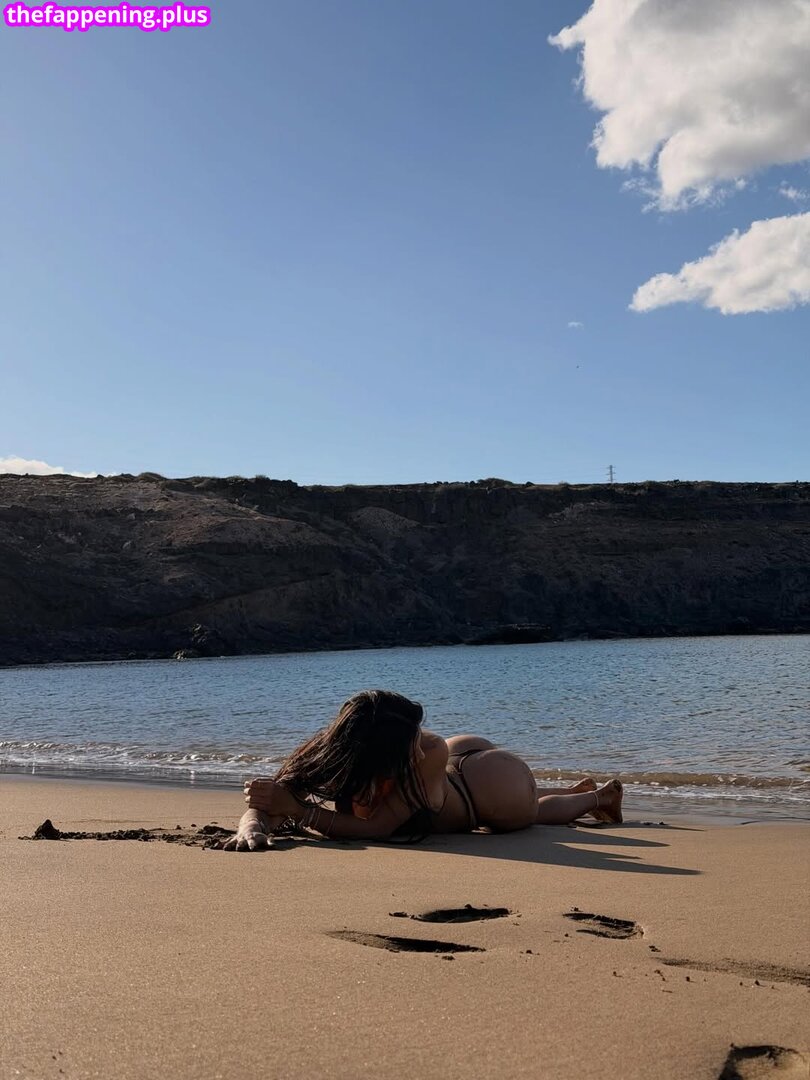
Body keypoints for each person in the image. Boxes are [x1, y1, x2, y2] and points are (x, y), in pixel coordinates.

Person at [224, 689, 623, 851]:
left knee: (531, 814)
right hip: (459, 775)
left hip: (487, 790)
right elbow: (270, 797)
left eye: (416, 736)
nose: (417, 746)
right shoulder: (330, 753)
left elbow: (376, 827)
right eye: (408, 742)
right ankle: (577, 790)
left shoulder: (427, 751)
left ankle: (597, 797)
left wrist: (299, 811)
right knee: (527, 807)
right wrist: (251, 825)